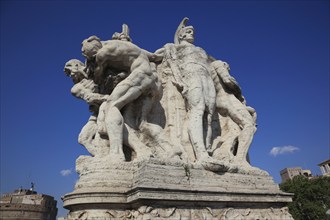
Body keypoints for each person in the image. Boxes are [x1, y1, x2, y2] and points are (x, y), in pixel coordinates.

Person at [156, 18, 228, 171]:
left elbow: (212, 63)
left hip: (207, 78)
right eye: (188, 32)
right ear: (181, 35)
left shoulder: (201, 50)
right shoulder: (173, 47)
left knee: (209, 115)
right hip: (190, 75)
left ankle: (208, 150)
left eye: (192, 32)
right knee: (197, 110)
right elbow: (158, 56)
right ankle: (200, 154)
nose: (191, 34)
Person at [81, 27, 161, 162]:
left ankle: (116, 153)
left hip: (140, 74)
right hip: (149, 76)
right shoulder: (129, 46)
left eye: (88, 54)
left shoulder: (101, 54)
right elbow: (154, 56)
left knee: (111, 106)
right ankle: (136, 149)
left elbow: (98, 77)